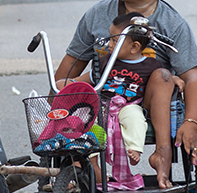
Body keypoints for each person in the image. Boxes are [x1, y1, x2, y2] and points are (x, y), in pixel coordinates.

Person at [54, 0, 197, 189]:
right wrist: (56, 109)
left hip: (146, 104)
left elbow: (192, 78)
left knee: (162, 77)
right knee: (75, 86)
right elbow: (68, 69)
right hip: (103, 101)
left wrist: (191, 122)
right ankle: (85, 168)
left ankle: (162, 154)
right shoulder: (97, 15)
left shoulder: (172, 24)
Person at [60, 13, 180, 167]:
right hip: (103, 105)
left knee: (136, 119)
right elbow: (85, 79)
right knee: (89, 122)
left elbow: (163, 80)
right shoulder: (105, 61)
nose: (109, 44)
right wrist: (68, 83)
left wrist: (174, 78)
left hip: (129, 105)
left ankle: (134, 148)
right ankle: (91, 162)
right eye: (110, 38)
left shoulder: (151, 65)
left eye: (115, 40)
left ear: (135, 47)